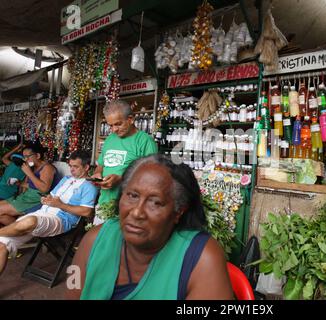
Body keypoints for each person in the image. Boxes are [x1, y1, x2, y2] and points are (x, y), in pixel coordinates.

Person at [67, 155, 234, 300]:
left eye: (155, 202)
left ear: (178, 212)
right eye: (132, 196)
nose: (137, 212)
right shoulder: (96, 238)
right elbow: (71, 288)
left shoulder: (200, 258)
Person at [0, 150, 98, 276]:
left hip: (61, 220)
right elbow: (50, 195)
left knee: (29, 221)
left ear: (86, 167)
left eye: (76, 167)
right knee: (2, 245)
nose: (72, 170)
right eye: (70, 166)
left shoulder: (89, 186)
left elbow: (87, 212)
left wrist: (60, 205)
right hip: (42, 213)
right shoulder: (66, 179)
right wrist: (45, 199)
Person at [90, 100, 158, 225]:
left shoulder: (145, 141)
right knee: (98, 241)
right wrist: (97, 175)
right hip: (104, 203)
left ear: (130, 119)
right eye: (110, 125)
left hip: (130, 208)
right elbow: (101, 165)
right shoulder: (110, 139)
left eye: (118, 124)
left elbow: (151, 177)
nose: (114, 129)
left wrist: (120, 178)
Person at [0, 143, 56, 226]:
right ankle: (22, 231)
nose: (25, 159)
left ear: (37, 155)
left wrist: (29, 173)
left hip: (35, 200)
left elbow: (44, 189)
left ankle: (22, 231)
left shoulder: (47, 167)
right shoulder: (33, 168)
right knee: (1, 216)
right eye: (24, 157)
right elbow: (32, 186)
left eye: (27, 156)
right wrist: (20, 183)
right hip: (26, 196)